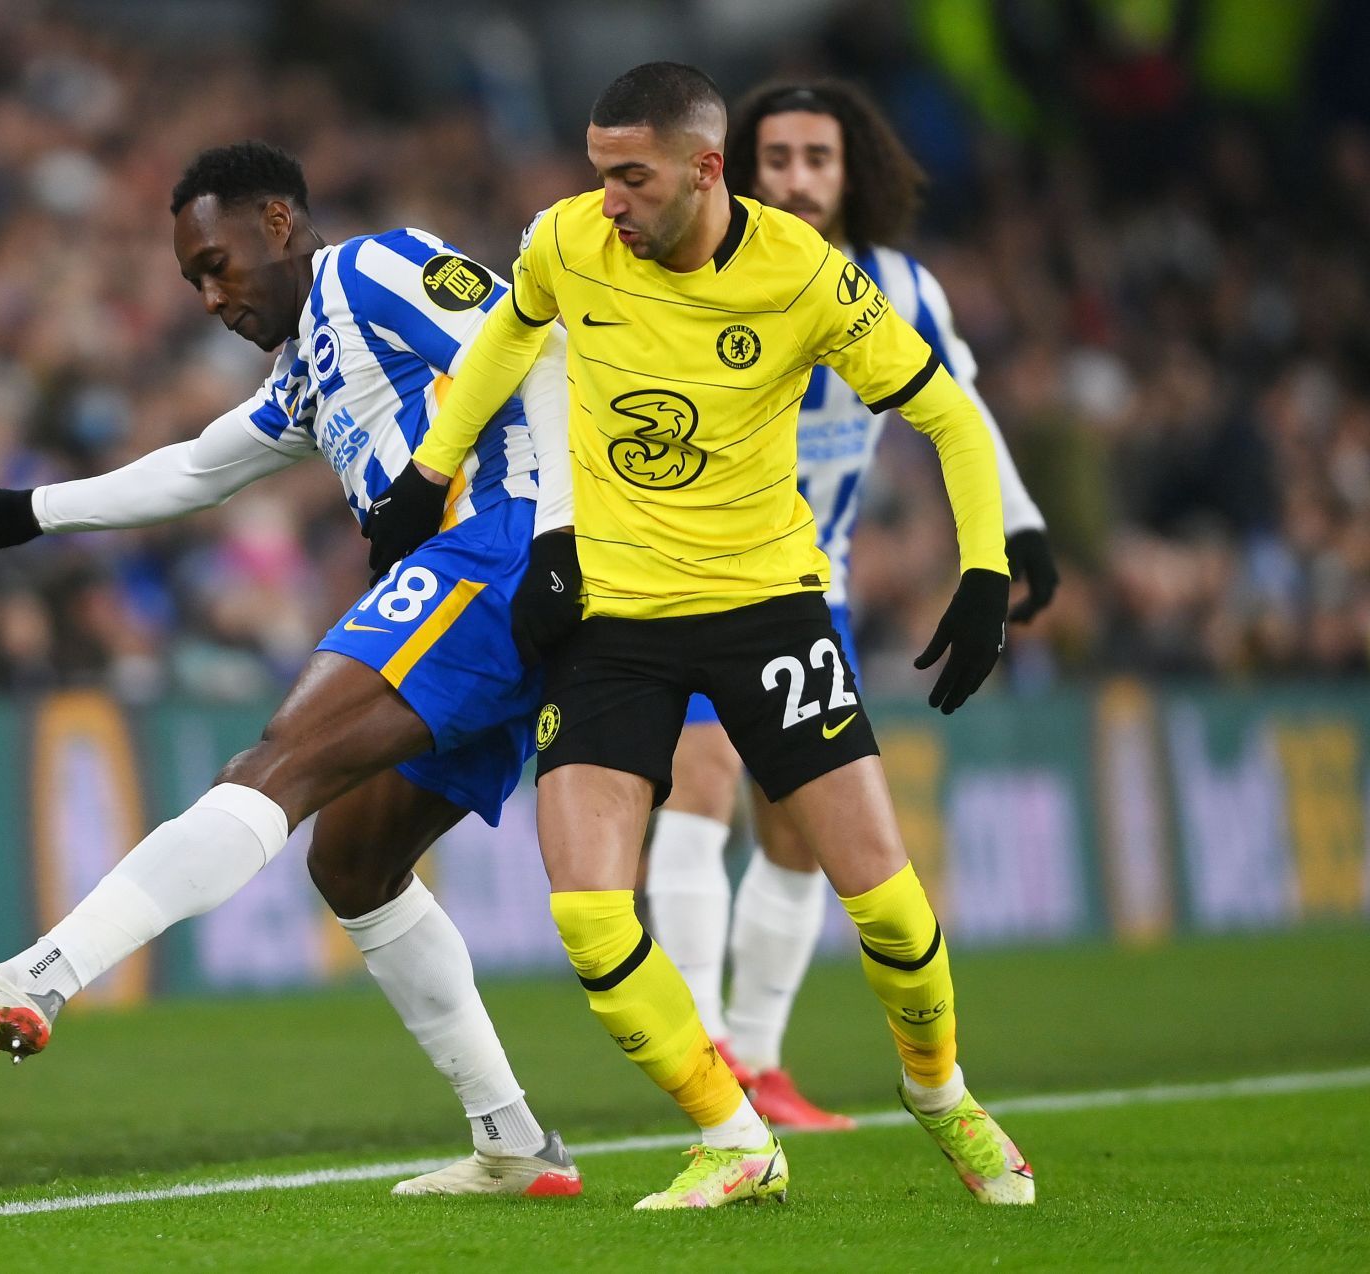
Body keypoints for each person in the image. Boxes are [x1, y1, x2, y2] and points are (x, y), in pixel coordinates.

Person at [0, 142, 584, 1199]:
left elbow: (544, 347)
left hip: (503, 552)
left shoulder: (378, 270)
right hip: (489, 572)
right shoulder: (306, 369)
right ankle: (513, 1141)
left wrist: (554, 536)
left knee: (275, 761)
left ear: (278, 223)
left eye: (216, 262)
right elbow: (201, 465)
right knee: (355, 864)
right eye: (192, 277)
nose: (208, 295)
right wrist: (25, 512)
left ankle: (40, 977)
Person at [367, 62, 1034, 1210]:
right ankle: (732, 1132)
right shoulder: (566, 241)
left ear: (705, 168)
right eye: (597, 174)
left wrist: (984, 569)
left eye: (631, 177)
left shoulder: (804, 275)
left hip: (767, 609)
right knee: (584, 911)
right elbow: (505, 344)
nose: (608, 200)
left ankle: (942, 1093)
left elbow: (947, 414)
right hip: (614, 621)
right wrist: (428, 472)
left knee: (884, 903)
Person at [639, 79, 1060, 1133]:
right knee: (698, 780)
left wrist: (1016, 530)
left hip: (809, 592)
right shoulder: (689, 271)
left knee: (796, 836)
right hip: (684, 577)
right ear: (738, 170)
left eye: (815, 159)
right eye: (774, 158)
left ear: (851, 171)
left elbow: (956, 412)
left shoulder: (899, 289)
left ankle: (763, 1060)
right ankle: (707, 1051)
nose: (794, 178)